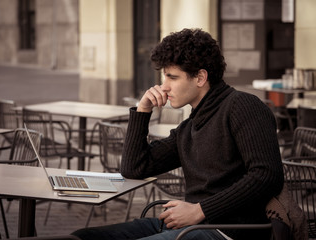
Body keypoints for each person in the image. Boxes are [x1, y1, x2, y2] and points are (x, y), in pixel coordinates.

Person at [72, 28, 284, 240]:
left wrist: (199, 210)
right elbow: (134, 168)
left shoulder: (242, 106)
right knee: (81, 237)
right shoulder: (190, 126)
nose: (164, 87)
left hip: (226, 232)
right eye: (164, 77)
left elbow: (267, 176)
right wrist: (142, 111)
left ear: (200, 77)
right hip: (186, 226)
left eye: (173, 77)